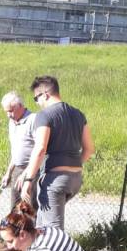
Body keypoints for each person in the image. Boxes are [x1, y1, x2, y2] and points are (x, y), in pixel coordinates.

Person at [19, 75, 95, 230]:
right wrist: (72, 164)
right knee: (42, 223)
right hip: (75, 179)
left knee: (53, 230)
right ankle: (38, 246)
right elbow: (89, 149)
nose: (37, 103)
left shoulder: (44, 115)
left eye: (36, 98)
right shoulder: (78, 114)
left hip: (55, 181)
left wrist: (28, 180)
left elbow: (40, 148)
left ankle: (57, 247)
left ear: (45, 94)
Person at [0, 91, 38, 211]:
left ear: (20, 106)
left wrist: (26, 174)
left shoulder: (33, 120)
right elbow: (16, 152)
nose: (8, 115)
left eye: (11, 111)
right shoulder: (12, 122)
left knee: (30, 209)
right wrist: (8, 173)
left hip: (33, 171)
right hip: (17, 170)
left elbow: (40, 150)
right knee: (15, 209)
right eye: (6, 112)